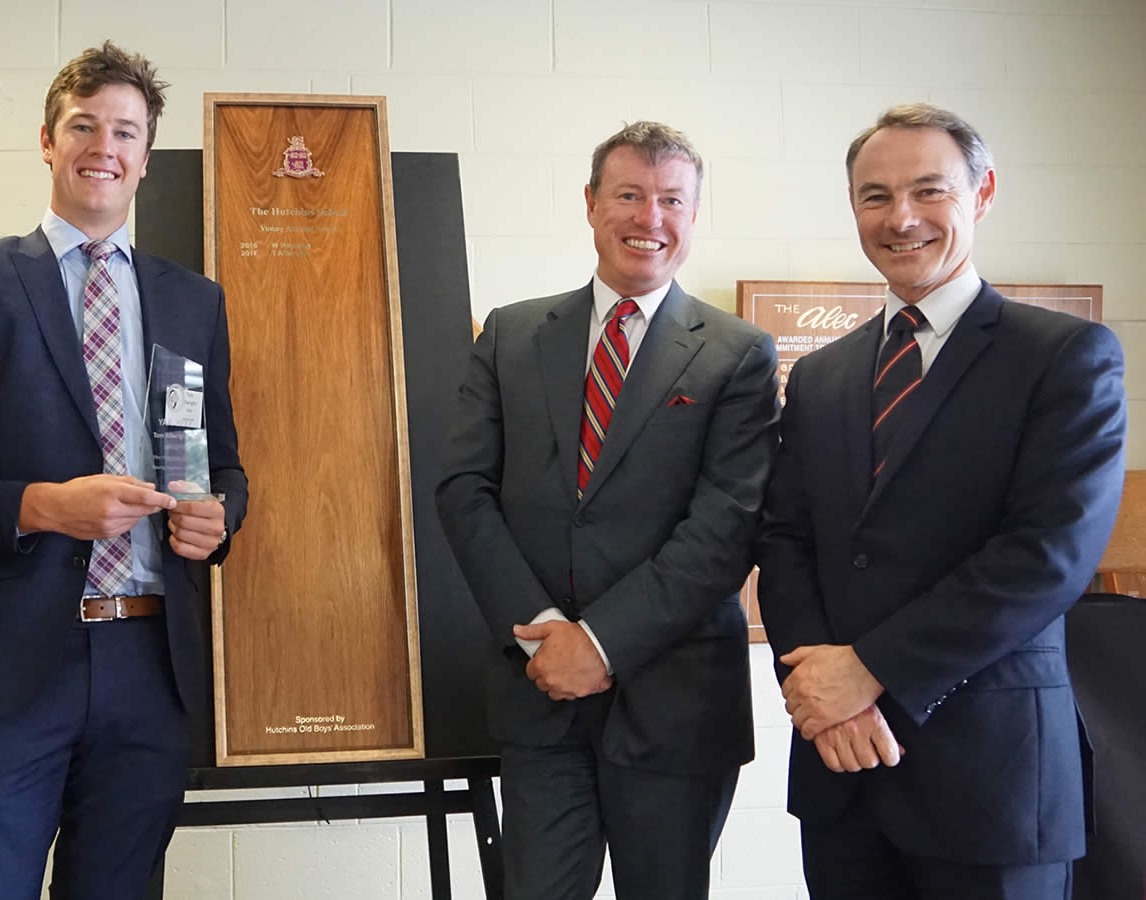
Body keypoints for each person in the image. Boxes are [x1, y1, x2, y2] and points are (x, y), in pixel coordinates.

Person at [0, 41, 246, 899]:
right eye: (83, 125)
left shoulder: (194, 300)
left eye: (125, 131)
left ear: (146, 157)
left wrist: (219, 518)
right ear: (47, 141)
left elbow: (224, 462)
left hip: (150, 663)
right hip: (11, 664)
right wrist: (42, 506)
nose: (104, 146)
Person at [756, 102, 1126, 899]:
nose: (903, 218)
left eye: (929, 191)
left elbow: (1049, 554)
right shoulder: (821, 378)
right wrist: (828, 696)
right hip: (842, 772)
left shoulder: (1063, 356)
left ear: (982, 192)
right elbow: (786, 541)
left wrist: (870, 671)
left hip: (992, 780)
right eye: (876, 196)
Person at [435, 121, 779, 900]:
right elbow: (463, 489)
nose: (647, 218)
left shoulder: (738, 354)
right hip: (539, 693)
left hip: (676, 703)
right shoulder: (511, 334)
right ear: (591, 204)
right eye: (628, 194)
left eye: (670, 200)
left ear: (693, 216)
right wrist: (545, 634)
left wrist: (601, 642)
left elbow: (725, 526)